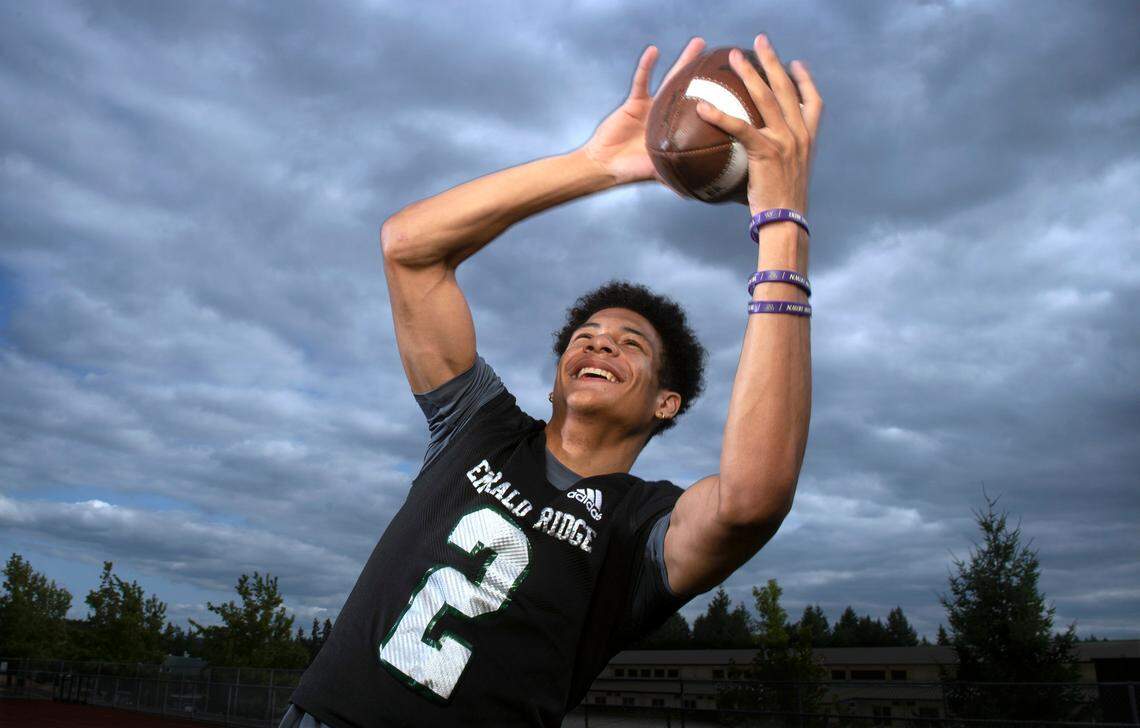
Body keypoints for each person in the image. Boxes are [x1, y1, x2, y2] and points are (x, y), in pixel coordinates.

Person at [282, 32, 822, 728]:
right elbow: (409, 251)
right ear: (558, 376)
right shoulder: (479, 428)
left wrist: (781, 223)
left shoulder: (641, 527)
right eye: (586, 337)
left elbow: (751, 500)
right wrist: (595, 165)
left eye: (630, 345)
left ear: (667, 402)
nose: (599, 345)